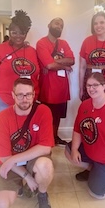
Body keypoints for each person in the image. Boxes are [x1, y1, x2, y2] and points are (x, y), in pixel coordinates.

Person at [0, 78, 54, 208]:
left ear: (33, 95)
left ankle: (42, 195)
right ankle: (19, 185)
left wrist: (14, 159)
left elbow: (46, 147)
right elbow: (5, 158)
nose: (24, 99)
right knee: (1, 205)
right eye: (20, 95)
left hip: (33, 159)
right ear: (13, 95)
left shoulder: (43, 111)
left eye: (28, 95)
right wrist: (27, 176)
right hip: (10, 162)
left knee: (45, 165)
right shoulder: (2, 118)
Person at [0, 10, 40, 114]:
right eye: (14, 33)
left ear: (26, 33)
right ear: (9, 32)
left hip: (28, 100)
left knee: (26, 128)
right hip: (6, 98)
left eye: (22, 33)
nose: (18, 36)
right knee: (9, 128)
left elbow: (38, 73)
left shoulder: (32, 51)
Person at [35, 17, 74, 145]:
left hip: (62, 88)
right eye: (57, 23)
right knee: (46, 116)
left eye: (61, 25)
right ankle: (46, 140)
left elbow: (72, 60)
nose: (59, 26)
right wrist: (65, 66)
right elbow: (49, 66)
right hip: (48, 88)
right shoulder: (41, 43)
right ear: (49, 25)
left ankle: (55, 137)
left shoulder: (64, 43)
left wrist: (54, 62)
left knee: (58, 117)